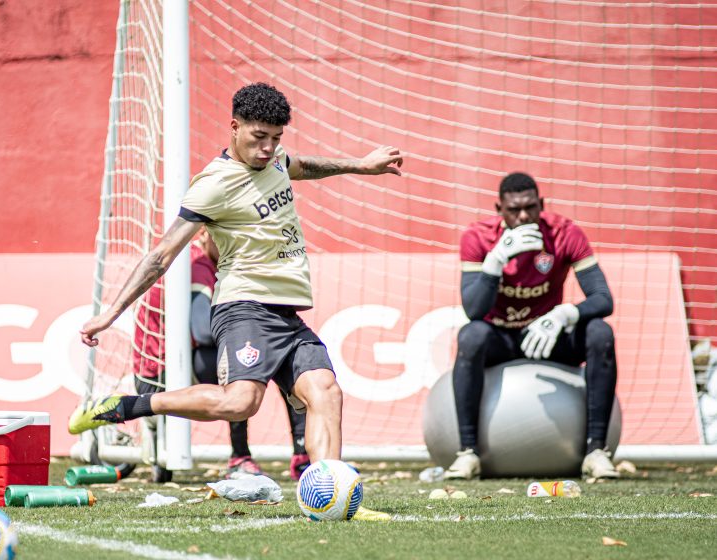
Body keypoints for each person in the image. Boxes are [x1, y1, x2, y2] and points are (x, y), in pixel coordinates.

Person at [69, 83, 403, 515]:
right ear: (234, 126)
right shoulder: (214, 185)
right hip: (243, 306)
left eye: (276, 138)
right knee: (240, 402)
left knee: (326, 391)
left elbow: (305, 165)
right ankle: (126, 407)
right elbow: (161, 255)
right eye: (258, 137)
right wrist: (111, 314)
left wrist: (361, 166)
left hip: (285, 311)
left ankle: (331, 497)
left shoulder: (277, 160)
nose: (267, 148)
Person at [444, 172, 619, 480]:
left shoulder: (564, 233)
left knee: (599, 332)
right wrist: (495, 261)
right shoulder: (478, 237)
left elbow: (603, 299)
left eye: (530, 207)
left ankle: (596, 451)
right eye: (514, 209)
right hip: (502, 338)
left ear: (542, 204)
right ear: (499, 208)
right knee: (470, 336)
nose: (523, 216)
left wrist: (564, 315)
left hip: (546, 336)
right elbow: (473, 310)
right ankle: (468, 453)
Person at [133, 227, 310, 480]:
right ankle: (242, 457)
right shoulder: (197, 264)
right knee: (247, 358)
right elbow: (203, 330)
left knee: (273, 354)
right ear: (205, 234)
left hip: (169, 365)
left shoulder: (207, 261)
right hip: (159, 374)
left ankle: (301, 455)